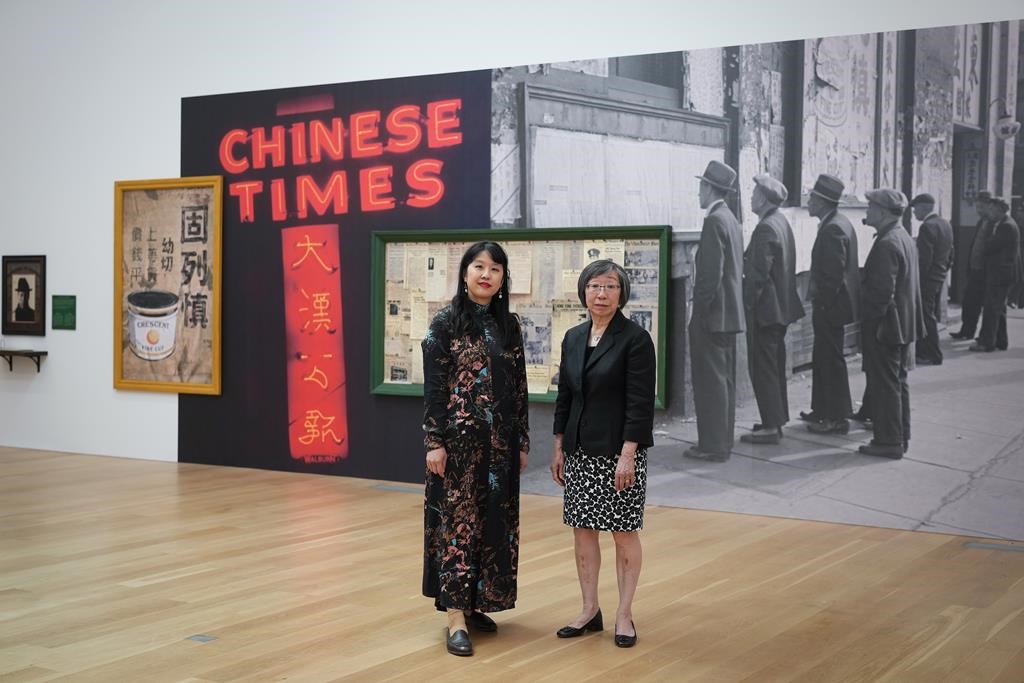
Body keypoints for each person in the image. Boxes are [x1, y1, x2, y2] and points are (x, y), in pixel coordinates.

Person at [421, 241, 530, 657]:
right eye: (478, 266)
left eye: (495, 269)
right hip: (458, 449)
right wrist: (434, 442)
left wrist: (521, 440)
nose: (486, 275)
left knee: (493, 527)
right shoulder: (446, 323)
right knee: (457, 526)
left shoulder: (510, 326)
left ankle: (478, 602)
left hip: (500, 449)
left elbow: (518, 388)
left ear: (503, 279)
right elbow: (433, 390)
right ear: (465, 272)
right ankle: (454, 616)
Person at [551, 259, 655, 649]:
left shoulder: (635, 339)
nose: (601, 293)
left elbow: (640, 403)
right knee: (583, 532)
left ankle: (624, 614)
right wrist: (559, 445)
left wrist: (629, 453)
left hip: (618, 453)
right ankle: (588, 609)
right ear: (583, 291)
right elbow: (565, 396)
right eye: (595, 286)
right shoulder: (574, 337)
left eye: (610, 286)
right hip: (579, 451)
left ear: (621, 293)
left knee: (624, 533)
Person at [684, 160, 744, 462]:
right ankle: (723, 442)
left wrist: (699, 314)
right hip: (729, 315)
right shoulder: (730, 219)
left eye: (700, 187)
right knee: (724, 381)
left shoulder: (714, 221)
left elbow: (709, 277)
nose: (698, 193)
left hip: (713, 316)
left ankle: (713, 446)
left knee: (711, 383)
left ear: (710, 188)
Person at [859, 189, 924, 458]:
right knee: (897, 383)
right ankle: (899, 436)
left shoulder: (887, 243)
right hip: (902, 324)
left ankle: (888, 442)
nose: (867, 211)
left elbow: (881, 294)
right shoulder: (902, 236)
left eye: (871, 207)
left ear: (884, 212)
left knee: (884, 385)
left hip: (887, 327)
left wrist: (871, 324)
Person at [740, 175, 804, 444]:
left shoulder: (766, 227)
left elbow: (757, 275)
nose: (751, 197)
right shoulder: (780, 222)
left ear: (764, 198)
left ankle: (771, 426)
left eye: (755, 193)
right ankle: (774, 421)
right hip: (780, 310)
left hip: (766, 311)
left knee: (764, 368)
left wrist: (746, 303)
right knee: (773, 367)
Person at [802, 174, 860, 434]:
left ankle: (837, 418)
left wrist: (822, 303)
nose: (808, 201)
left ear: (824, 202)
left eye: (812, 198)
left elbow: (833, 275)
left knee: (831, 360)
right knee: (823, 357)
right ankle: (822, 410)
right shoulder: (838, 222)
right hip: (833, 306)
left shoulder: (833, 227)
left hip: (830, 307)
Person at [971, 196, 1021, 352]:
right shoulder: (1005, 223)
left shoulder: (1005, 226)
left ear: (1000, 210)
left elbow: (990, 247)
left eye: (992, 209)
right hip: (1003, 273)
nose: (989, 212)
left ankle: (987, 343)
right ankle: (1001, 340)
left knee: (991, 308)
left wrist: (985, 236)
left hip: (1000, 274)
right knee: (999, 308)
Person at [911, 193, 954, 365]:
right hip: (939, 277)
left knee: (925, 316)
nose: (914, 213)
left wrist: (916, 281)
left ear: (923, 207)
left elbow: (924, 261)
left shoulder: (927, 227)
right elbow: (951, 253)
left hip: (927, 280)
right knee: (930, 314)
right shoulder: (945, 224)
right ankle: (926, 352)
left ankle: (933, 354)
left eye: (915, 209)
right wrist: (943, 271)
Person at [951, 191, 992, 341]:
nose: (979, 210)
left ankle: (983, 336)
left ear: (990, 206)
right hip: (975, 269)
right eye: (977, 207)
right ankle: (966, 330)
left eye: (982, 207)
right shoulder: (981, 222)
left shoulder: (994, 224)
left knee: (984, 305)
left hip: (985, 272)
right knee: (969, 303)